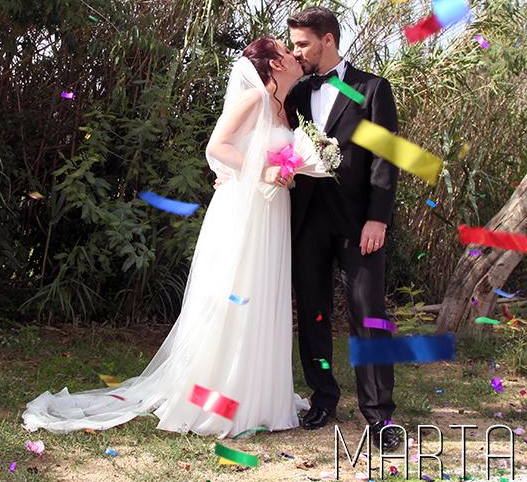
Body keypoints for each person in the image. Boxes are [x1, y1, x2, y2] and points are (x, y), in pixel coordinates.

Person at [22, 38, 311, 437]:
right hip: (245, 210)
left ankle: (260, 395)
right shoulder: (255, 98)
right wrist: (261, 172)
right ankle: (222, 395)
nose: (295, 55)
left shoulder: (285, 107)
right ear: (275, 63)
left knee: (262, 292)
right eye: (286, 49)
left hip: (272, 208)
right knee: (238, 291)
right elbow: (218, 146)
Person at [285, 7, 401, 449]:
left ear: (328, 40)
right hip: (306, 221)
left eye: (303, 44)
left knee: (368, 314)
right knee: (313, 313)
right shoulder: (295, 94)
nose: (297, 52)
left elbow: (386, 158)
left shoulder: (371, 89)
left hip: (359, 222)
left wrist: (378, 217)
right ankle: (323, 398)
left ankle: (379, 415)